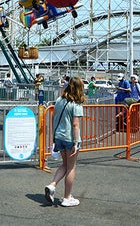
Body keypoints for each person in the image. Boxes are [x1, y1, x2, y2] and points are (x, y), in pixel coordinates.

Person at [44, 77, 85, 207]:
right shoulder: (76, 104)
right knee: (71, 167)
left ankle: (52, 185)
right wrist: (76, 142)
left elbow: (54, 117)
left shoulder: (59, 100)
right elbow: (75, 125)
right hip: (69, 138)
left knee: (65, 164)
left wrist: (53, 137)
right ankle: (67, 197)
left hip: (59, 136)